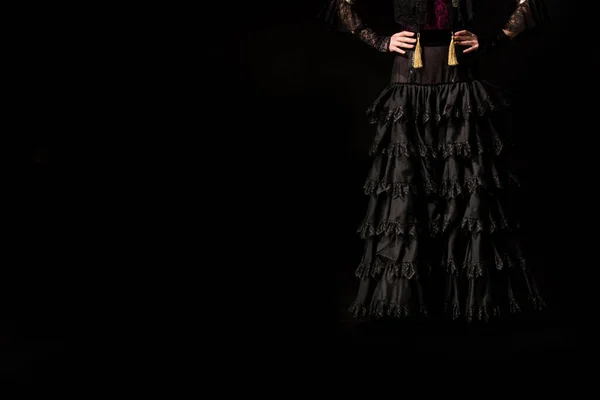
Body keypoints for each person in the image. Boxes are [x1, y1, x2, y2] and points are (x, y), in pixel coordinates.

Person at [320, 0, 549, 322]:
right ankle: (408, 304)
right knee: (408, 188)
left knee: (466, 191)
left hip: (460, 85)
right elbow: (339, 4)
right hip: (409, 85)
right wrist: (379, 41)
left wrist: (498, 38)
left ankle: (469, 303)